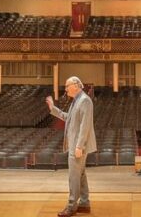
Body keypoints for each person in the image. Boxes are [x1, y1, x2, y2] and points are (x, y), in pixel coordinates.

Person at [46, 77, 97, 216]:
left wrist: (79, 146)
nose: (66, 88)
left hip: (78, 146)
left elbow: (85, 126)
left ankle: (71, 206)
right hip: (76, 144)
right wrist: (53, 109)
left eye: (67, 86)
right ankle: (85, 204)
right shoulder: (76, 101)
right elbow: (68, 118)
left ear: (75, 85)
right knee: (80, 175)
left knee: (73, 176)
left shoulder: (85, 100)